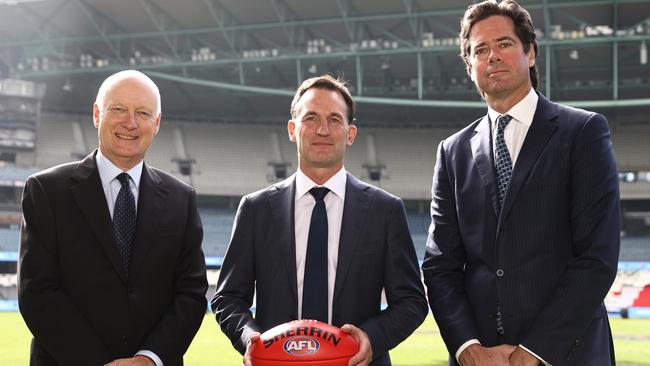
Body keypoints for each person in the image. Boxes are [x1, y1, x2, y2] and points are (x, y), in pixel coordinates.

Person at [422, 1, 620, 365]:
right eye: (480, 50)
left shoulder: (583, 132)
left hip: (566, 354)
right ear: (470, 67)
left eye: (504, 44)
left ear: (530, 53)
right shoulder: (451, 152)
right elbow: (440, 267)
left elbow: (597, 257)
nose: (492, 56)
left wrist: (536, 350)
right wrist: (467, 348)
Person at [212, 74, 428, 366]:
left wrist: (370, 338)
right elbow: (227, 299)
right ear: (292, 129)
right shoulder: (256, 209)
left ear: (350, 134)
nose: (323, 129)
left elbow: (412, 302)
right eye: (311, 118)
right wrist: (251, 338)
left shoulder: (384, 210)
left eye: (335, 120)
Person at [18, 70, 208, 366]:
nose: (130, 123)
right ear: (97, 113)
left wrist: (148, 359)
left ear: (156, 123)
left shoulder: (181, 199)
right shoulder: (46, 190)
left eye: (143, 113)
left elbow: (191, 294)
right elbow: (38, 292)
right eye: (118, 109)